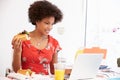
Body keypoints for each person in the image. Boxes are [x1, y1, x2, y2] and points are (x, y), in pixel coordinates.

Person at [11, 0, 63, 75]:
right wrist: (17, 52)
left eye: (52, 24)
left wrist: (71, 71)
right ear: (37, 21)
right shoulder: (22, 39)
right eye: (47, 23)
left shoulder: (54, 43)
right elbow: (16, 70)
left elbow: (53, 71)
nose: (50, 27)